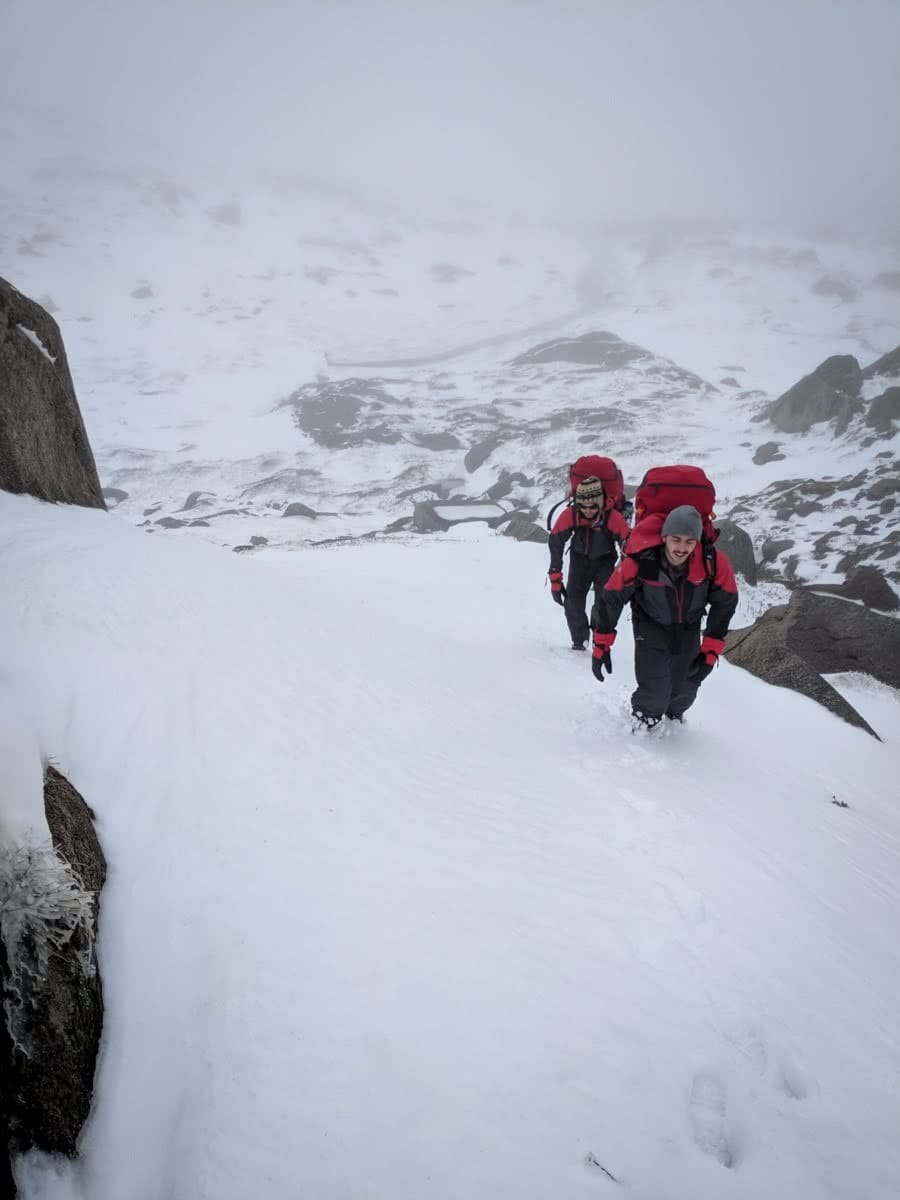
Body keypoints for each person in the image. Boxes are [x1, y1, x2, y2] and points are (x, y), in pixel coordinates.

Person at [590, 504, 738, 727]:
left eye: (689, 541)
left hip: (688, 627)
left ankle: (674, 719)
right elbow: (612, 598)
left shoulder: (712, 562)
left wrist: (710, 650)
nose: (681, 548)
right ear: (665, 536)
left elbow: (725, 604)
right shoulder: (642, 560)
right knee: (655, 689)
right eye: (676, 539)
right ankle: (644, 723)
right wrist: (601, 645)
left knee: (687, 686)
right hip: (650, 625)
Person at [547, 476, 631, 651]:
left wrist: (626, 572)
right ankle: (580, 641)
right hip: (579, 561)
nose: (587, 511)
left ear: (600, 502)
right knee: (573, 603)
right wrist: (555, 575)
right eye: (582, 506)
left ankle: (598, 639)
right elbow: (556, 540)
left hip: (605, 562)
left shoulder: (612, 517)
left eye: (592, 506)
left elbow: (627, 542)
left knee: (602, 604)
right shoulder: (572, 514)